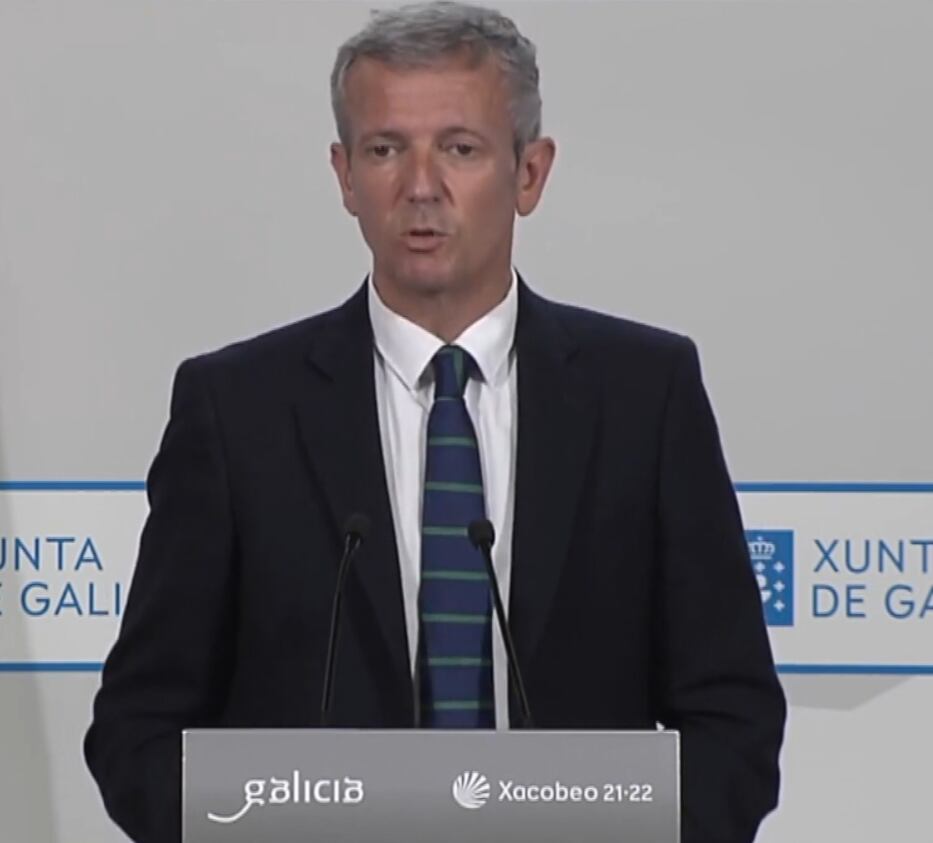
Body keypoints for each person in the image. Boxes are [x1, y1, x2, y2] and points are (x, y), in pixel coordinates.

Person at [84, 2, 786, 842]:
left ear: (529, 173)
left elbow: (732, 722)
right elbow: (138, 732)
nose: (421, 187)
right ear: (345, 176)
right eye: (385, 150)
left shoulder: (644, 396)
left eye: (459, 149)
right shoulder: (237, 410)